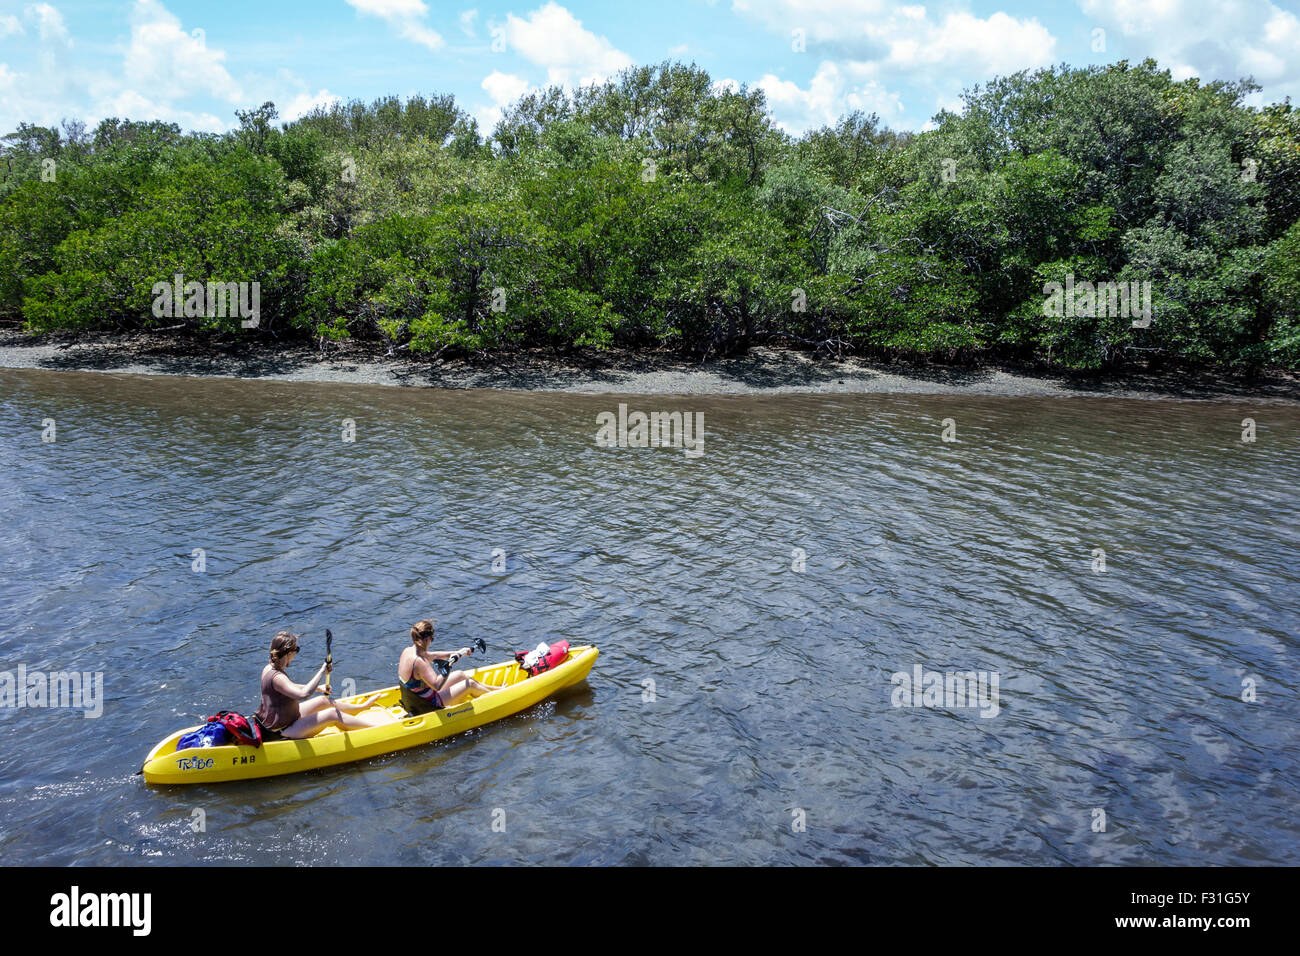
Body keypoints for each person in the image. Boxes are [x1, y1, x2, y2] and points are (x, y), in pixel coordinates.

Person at [254, 631, 395, 740]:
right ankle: (378, 728)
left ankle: (360, 708)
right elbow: (303, 695)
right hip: (283, 729)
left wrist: (317, 688)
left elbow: (287, 686)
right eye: (296, 650)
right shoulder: (277, 676)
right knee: (332, 714)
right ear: (289, 653)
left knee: (323, 700)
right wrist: (322, 671)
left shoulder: (269, 668)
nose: (296, 654)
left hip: (289, 717)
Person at [398, 619, 504, 715]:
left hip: (417, 699)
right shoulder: (419, 662)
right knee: (469, 684)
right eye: (432, 639)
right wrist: (448, 665)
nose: (431, 641)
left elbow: (433, 656)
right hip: (429, 704)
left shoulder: (408, 651)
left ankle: (496, 690)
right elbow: (437, 685)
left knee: (460, 675)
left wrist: (457, 652)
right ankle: (500, 698)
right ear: (427, 639)